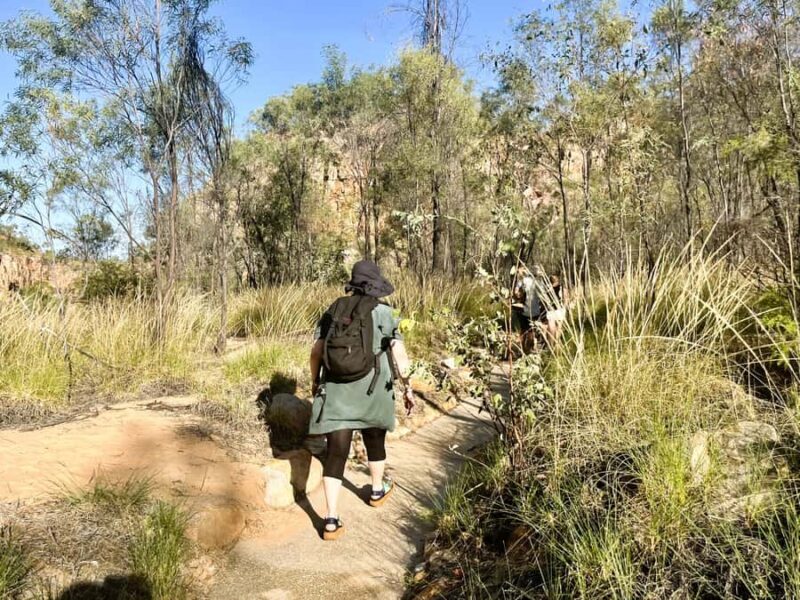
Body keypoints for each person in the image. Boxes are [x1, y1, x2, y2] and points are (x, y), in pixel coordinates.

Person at [308, 260, 415, 541]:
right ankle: (377, 491)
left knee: (335, 454)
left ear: (353, 284)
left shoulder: (333, 311)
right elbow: (400, 357)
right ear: (376, 286)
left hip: (337, 391)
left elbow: (316, 352)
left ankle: (330, 520)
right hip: (374, 391)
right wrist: (408, 388)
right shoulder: (386, 313)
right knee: (375, 441)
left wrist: (315, 381)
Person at [542, 273, 567, 345]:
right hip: (560, 310)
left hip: (551, 311)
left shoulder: (547, 289)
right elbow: (566, 298)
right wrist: (564, 308)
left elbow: (544, 301)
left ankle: (551, 344)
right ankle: (557, 343)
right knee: (558, 328)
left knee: (551, 329)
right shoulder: (562, 288)